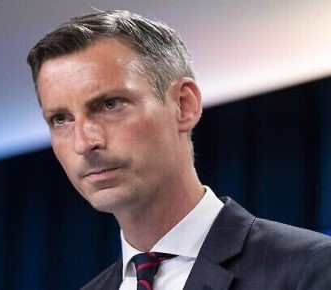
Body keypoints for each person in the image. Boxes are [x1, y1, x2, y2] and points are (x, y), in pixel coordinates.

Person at [26, 10, 331, 290]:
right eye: (61, 119)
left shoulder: (310, 269)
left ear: (184, 105)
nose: (84, 143)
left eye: (110, 105)